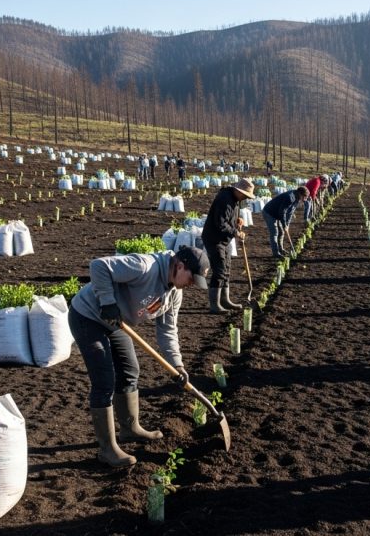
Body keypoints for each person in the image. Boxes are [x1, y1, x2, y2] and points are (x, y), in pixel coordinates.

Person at [68, 246, 210, 467]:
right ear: (180, 266)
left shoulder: (174, 294)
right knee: (104, 380)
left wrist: (177, 365)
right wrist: (107, 302)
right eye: (193, 278)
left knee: (129, 370)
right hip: (88, 317)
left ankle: (130, 429)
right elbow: (99, 266)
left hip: (116, 323)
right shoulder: (145, 266)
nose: (192, 285)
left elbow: (167, 331)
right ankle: (107, 450)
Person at [202, 178, 255, 312]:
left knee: (226, 269)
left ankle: (225, 300)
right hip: (214, 239)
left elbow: (231, 216)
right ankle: (215, 305)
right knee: (219, 270)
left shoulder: (235, 199)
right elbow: (220, 223)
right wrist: (236, 232)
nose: (245, 198)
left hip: (224, 239)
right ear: (238, 190)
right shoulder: (224, 200)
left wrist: (238, 220)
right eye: (245, 195)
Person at [263, 186, 309, 257]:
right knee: (275, 232)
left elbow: (290, 213)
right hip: (269, 212)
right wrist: (284, 225)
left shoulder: (297, 199)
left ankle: (281, 249)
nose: (305, 199)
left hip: (277, 214)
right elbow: (283, 212)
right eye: (304, 197)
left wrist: (287, 225)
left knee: (282, 232)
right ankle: (276, 253)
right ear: (300, 194)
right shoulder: (290, 197)